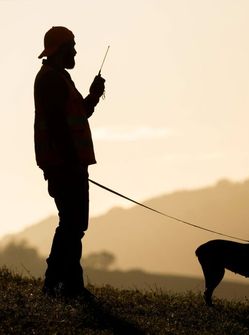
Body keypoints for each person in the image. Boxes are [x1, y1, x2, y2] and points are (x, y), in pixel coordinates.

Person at [34, 26, 105, 299]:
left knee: (73, 224)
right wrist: (72, 162)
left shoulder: (59, 78)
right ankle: (59, 282)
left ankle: (64, 283)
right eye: (72, 46)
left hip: (68, 165)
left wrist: (93, 96)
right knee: (72, 224)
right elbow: (57, 127)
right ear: (60, 49)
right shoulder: (52, 80)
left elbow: (76, 115)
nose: (75, 51)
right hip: (65, 166)